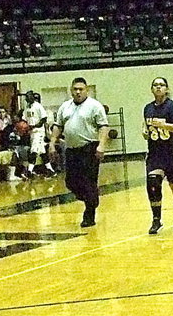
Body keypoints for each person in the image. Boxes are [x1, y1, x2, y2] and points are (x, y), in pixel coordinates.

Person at [49, 77, 109, 228]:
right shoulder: (65, 107)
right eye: (75, 89)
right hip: (71, 149)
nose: (78, 92)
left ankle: (89, 214)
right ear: (71, 90)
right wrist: (52, 143)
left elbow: (103, 127)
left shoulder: (95, 106)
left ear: (86, 90)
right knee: (71, 182)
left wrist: (101, 145)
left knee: (89, 182)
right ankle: (92, 199)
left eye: (81, 89)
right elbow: (58, 125)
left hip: (89, 148)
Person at [143, 76, 173, 234]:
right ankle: (156, 219)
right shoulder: (147, 108)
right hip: (156, 153)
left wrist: (165, 125)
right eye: (155, 85)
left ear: (167, 89)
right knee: (153, 183)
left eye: (161, 85)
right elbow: (146, 126)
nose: (158, 87)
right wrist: (145, 131)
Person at [21, 90, 53, 175]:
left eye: (28, 96)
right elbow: (24, 119)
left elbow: (44, 118)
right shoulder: (27, 107)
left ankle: (29, 171)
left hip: (39, 132)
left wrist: (35, 125)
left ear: (32, 97)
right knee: (42, 152)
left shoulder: (38, 106)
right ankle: (50, 170)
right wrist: (23, 126)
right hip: (32, 132)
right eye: (26, 97)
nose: (26, 98)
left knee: (33, 151)